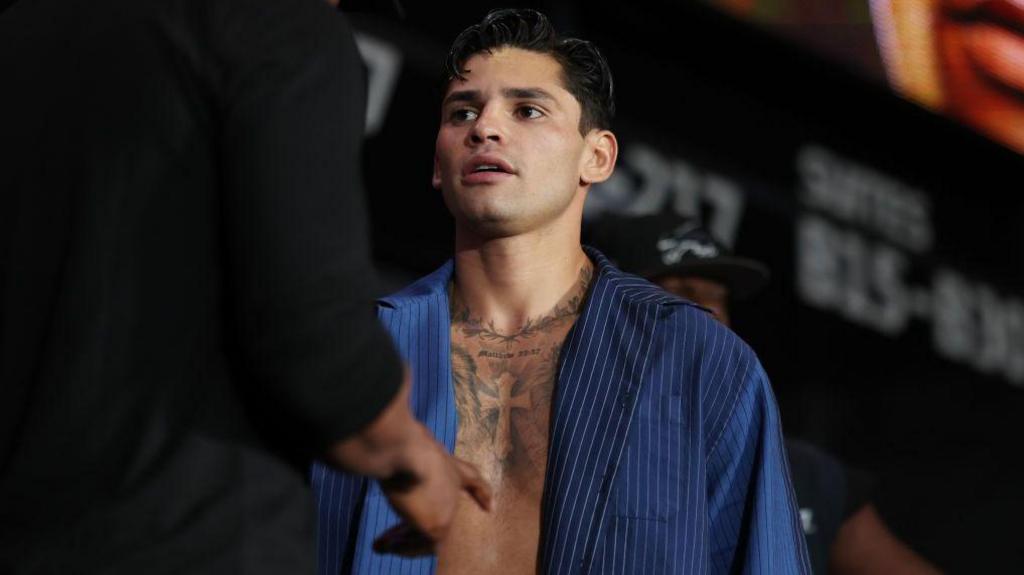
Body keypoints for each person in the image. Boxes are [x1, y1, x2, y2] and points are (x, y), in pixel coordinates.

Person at [313, 8, 810, 574]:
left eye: (527, 110)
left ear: (597, 157)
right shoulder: (351, 352)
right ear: (437, 163)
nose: (485, 128)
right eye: (462, 112)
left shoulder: (700, 361)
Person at [0, 0, 487, 573]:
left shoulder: (28, 21)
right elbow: (315, 344)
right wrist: (409, 455)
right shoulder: (282, 28)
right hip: (180, 533)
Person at [588, 211, 943, 575]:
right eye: (682, 291)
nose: (709, 313)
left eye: (719, 297)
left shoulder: (801, 471)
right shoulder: (570, 437)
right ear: (611, 303)